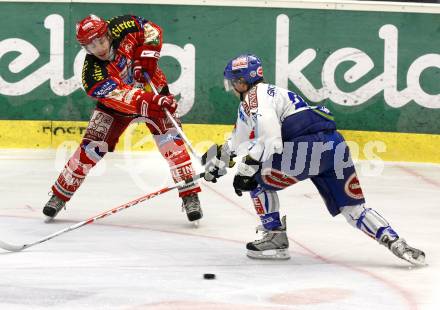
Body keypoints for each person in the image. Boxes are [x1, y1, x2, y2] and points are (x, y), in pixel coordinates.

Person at [202, 54, 425, 266]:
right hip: (333, 146)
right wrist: (219, 160)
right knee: (353, 209)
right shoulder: (272, 94)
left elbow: (270, 140)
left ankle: (275, 238)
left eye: (233, 82)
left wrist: (245, 171)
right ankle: (395, 242)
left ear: (242, 82)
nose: (232, 87)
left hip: (306, 150)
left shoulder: (253, 98)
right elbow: (239, 139)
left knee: (256, 181)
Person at [42, 14, 203, 223]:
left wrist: (148, 54)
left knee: (172, 144)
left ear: (108, 33)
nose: (98, 48)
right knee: (89, 150)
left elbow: (152, 29)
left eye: (100, 40)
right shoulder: (91, 74)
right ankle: (59, 195)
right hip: (120, 107)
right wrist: (153, 101)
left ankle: (190, 195)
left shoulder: (123, 26)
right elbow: (122, 97)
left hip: (154, 90)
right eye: (91, 45)